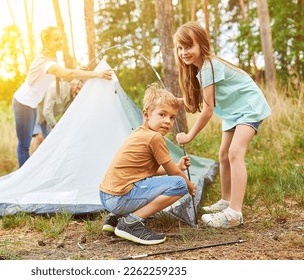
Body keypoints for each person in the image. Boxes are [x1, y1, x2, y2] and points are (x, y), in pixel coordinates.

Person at [173, 21, 271, 228]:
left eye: (188, 46)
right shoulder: (200, 69)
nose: (183, 52)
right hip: (233, 112)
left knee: (235, 152)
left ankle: (235, 212)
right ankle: (226, 201)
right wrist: (178, 102)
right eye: (180, 48)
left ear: (201, 44)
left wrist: (190, 136)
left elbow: (208, 109)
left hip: (248, 107)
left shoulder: (209, 66)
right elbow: (200, 102)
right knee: (223, 155)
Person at [99, 84, 195, 245]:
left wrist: (177, 167)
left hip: (107, 197)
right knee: (179, 184)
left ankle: (115, 218)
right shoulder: (154, 138)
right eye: (162, 114)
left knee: (161, 181)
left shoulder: (139, 132)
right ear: (146, 115)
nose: (167, 121)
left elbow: (147, 171)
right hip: (119, 198)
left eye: (172, 117)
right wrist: (190, 186)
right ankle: (131, 223)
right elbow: (174, 175)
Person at [12, 26, 112, 167]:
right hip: (23, 103)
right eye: (56, 39)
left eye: (61, 38)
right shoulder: (47, 62)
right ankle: (23, 180)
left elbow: (64, 76)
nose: (60, 41)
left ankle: (28, 174)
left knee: (28, 142)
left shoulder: (50, 56)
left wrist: (78, 70)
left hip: (32, 104)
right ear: (46, 41)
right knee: (24, 145)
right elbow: (68, 74)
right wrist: (97, 74)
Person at [32, 79, 83, 151]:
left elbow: (66, 116)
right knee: (39, 138)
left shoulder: (71, 98)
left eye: (80, 90)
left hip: (45, 120)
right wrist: (55, 127)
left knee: (50, 142)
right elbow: (47, 111)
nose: (78, 92)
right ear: (72, 84)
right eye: (78, 88)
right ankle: (33, 161)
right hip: (35, 114)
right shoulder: (56, 89)